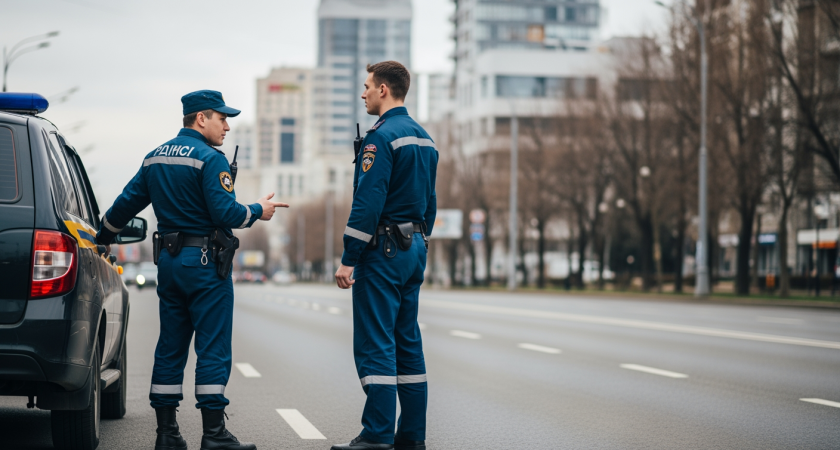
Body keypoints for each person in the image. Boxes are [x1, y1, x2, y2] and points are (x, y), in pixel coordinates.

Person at [96, 90, 288, 450]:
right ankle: (214, 434)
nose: (227, 126)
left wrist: (102, 237)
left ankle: (167, 433)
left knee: (170, 346)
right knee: (212, 347)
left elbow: (124, 205)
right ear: (201, 118)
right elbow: (226, 213)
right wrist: (257, 210)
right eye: (222, 118)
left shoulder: (154, 157)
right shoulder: (210, 159)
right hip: (205, 265)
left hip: (169, 264)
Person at [333, 61, 438, 450]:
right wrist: (421, 239)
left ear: (383, 90)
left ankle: (377, 435)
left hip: (384, 251)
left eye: (367, 86)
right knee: (407, 342)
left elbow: (368, 202)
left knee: (376, 342)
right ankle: (411, 436)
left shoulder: (381, 138)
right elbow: (430, 201)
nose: (362, 93)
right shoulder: (425, 138)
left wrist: (349, 257)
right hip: (414, 248)